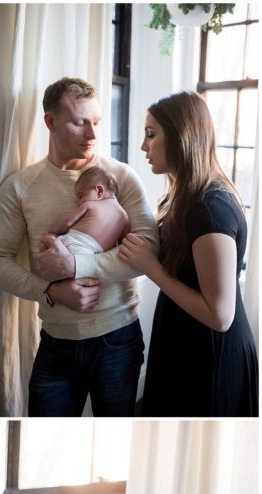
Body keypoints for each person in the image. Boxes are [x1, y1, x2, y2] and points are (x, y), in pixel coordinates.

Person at [0, 76, 160, 416]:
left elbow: (148, 252)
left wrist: (77, 267)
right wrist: (51, 290)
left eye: (96, 122)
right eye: (80, 123)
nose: (93, 135)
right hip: (56, 342)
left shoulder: (120, 178)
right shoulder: (19, 187)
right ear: (50, 121)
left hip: (118, 337)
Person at [117, 90, 258, 416]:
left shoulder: (209, 209)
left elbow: (220, 316)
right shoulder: (186, 199)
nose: (143, 146)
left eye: (151, 135)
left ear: (181, 137)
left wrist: (152, 268)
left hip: (210, 359)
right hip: (186, 346)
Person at [40, 166, 130, 258]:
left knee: (45, 242)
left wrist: (52, 232)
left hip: (72, 243)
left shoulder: (90, 205)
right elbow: (121, 246)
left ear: (99, 191)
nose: (79, 202)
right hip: (91, 255)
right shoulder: (125, 217)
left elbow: (67, 222)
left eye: (81, 196)